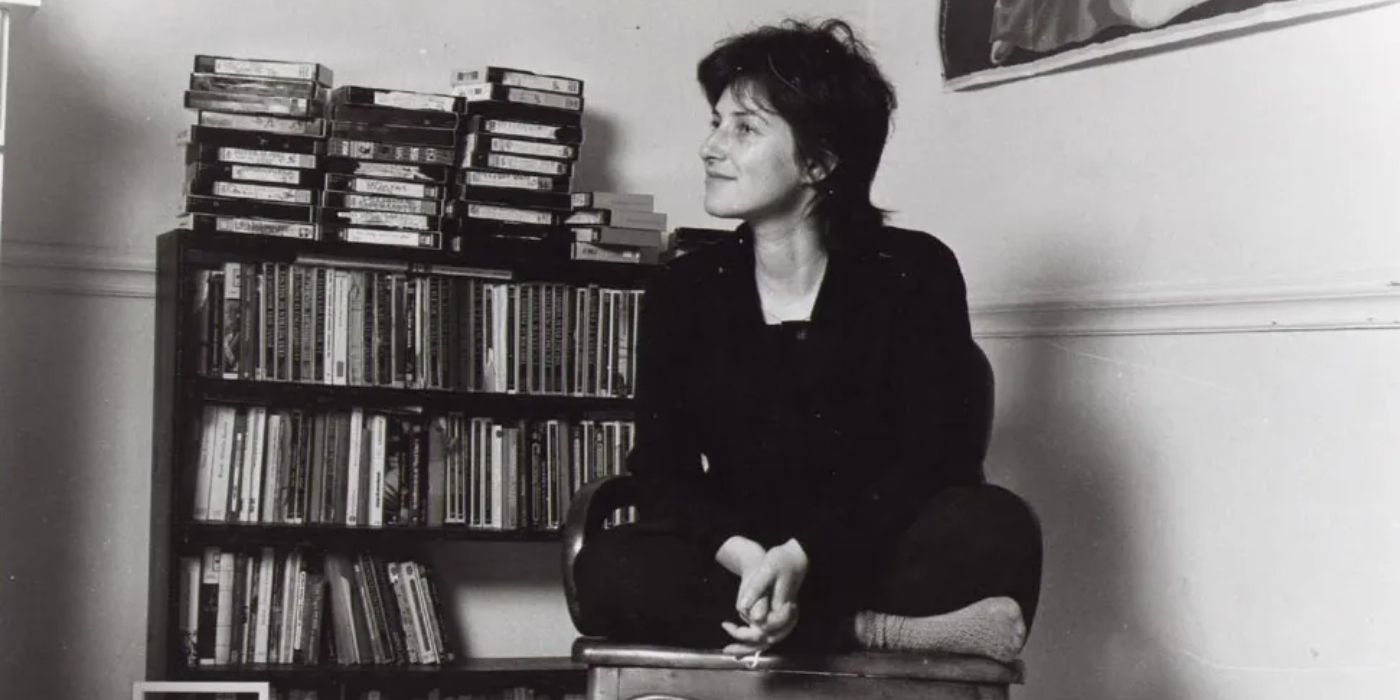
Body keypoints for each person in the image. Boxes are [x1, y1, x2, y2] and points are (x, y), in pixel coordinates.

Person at [573, 18, 1042, 659]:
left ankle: (801, 625)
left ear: (820, 161)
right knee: (608, 567)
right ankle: (871, 631)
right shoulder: (685, 288)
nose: (711, 148)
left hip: (868, 543)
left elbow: (939, 458)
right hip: (742, 553)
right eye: (715, 123)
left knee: (996, 527)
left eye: (743, 129)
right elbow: (662, 469)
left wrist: (806, 555)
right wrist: (746, 558)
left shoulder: (914, 270)